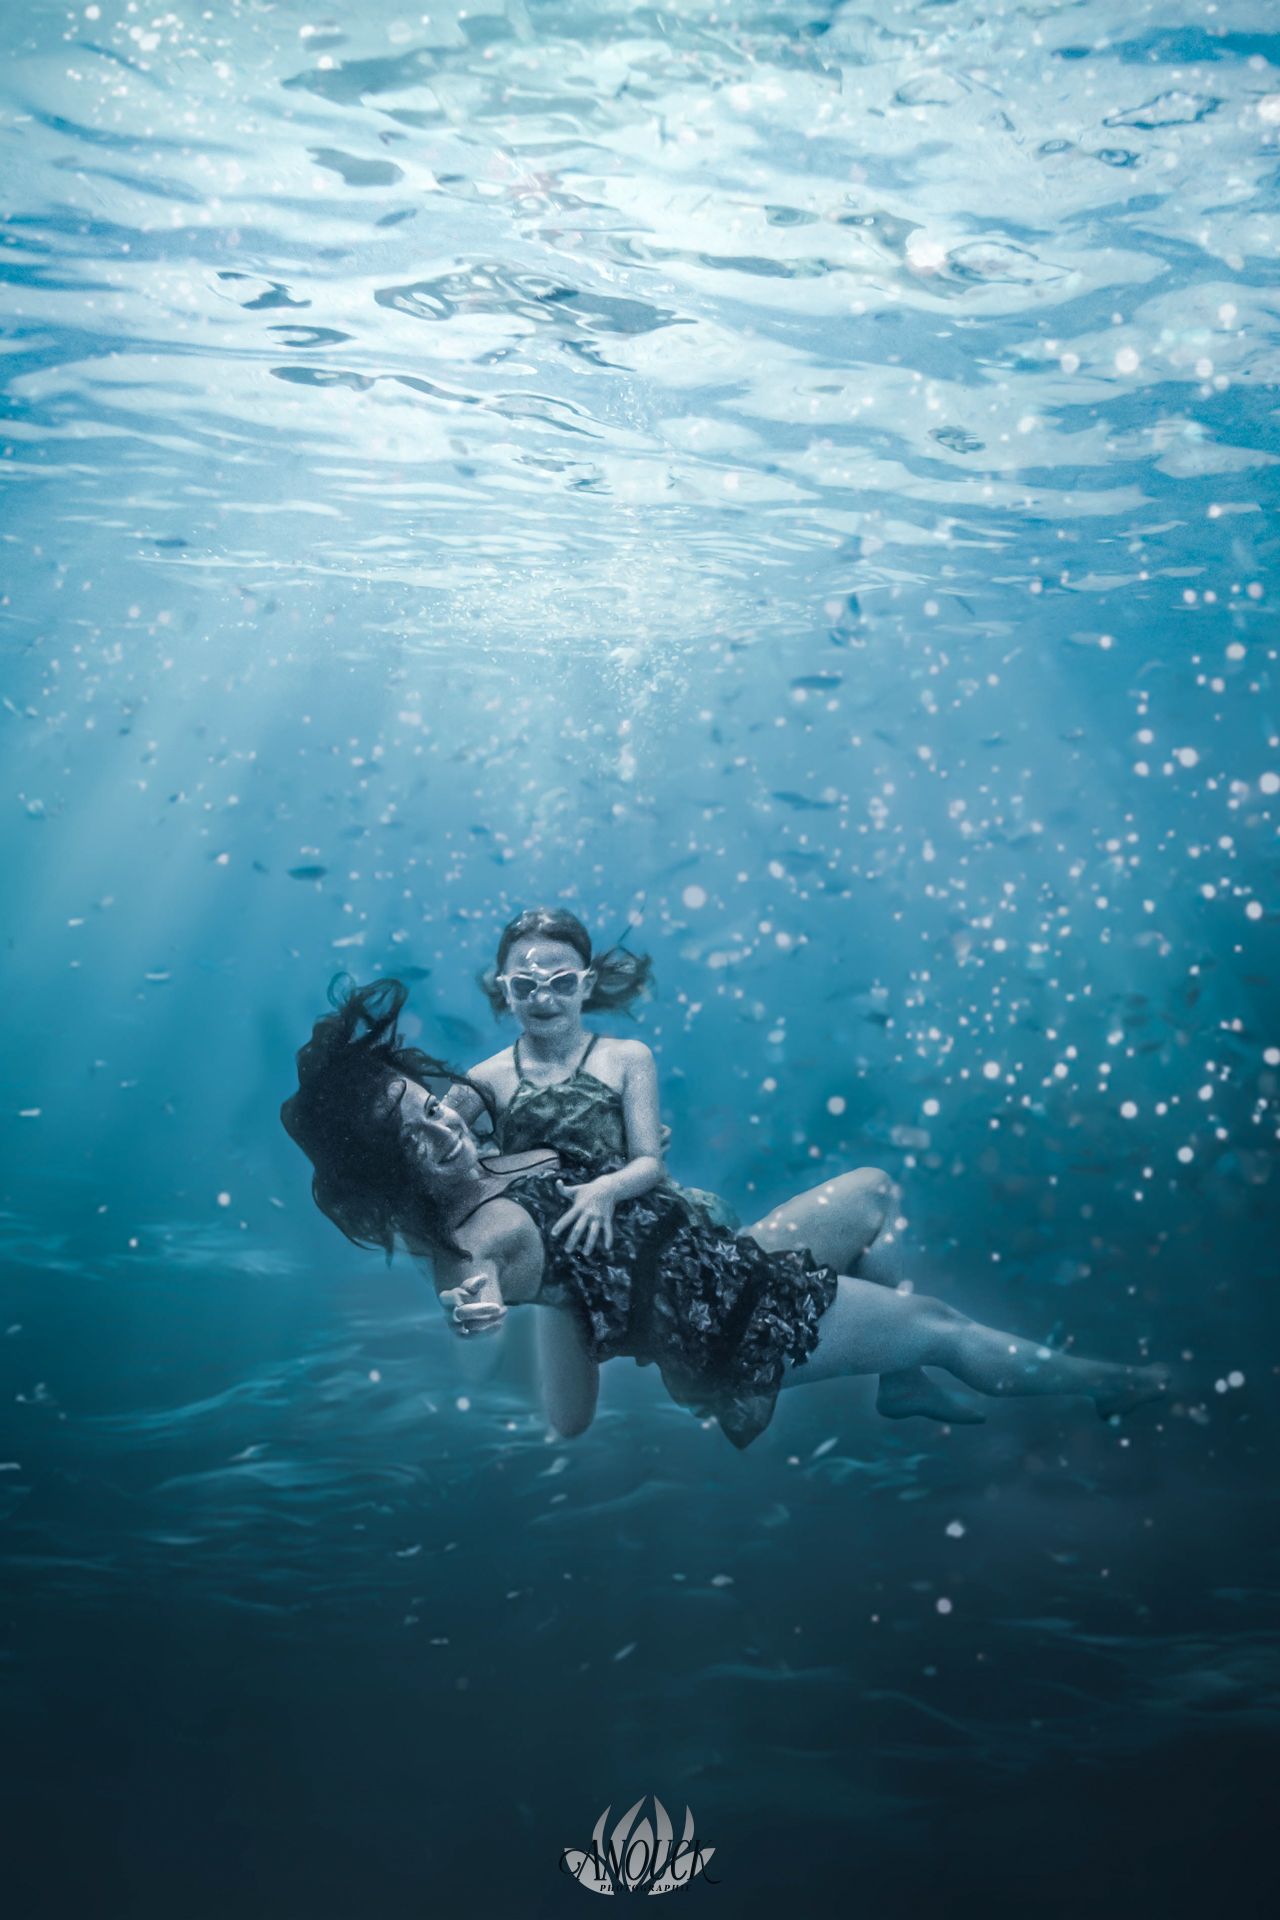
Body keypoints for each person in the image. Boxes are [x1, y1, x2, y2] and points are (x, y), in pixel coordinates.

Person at [281, 979, 1172, 1451]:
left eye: (427, 1104)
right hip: (727, 1323)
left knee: (871, 1192)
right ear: (394, 1175)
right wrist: (470, 1308)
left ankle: (896, 1383)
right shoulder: (481, 1233)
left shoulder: (473, 1143)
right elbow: (475, 1277)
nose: (441, 1125)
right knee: (938, 1326)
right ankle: (1115, 1383)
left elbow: (504, 1082)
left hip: (727, 1261)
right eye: (416, 1137)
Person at [444, 905, 981, 1425]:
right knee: (570, 1422)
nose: (543, 997)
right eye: (525, 985)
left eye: (560, 982)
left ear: (585, 984)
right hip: (577, 1275)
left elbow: (648, 1164)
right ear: (503, 988)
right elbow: (431, 1156)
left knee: (875, 1190)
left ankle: (902, 1377)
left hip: (666, 1244)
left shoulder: (625, 1058)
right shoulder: (485, 1082)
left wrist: (609, 1184)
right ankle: (748, 1358)